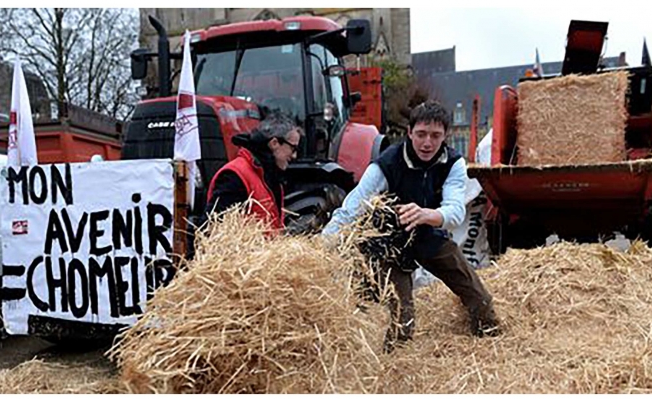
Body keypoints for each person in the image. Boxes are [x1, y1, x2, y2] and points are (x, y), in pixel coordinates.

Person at [322, 101, 500, 353]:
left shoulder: (453, 163)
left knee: (477, 295)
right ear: (409, 133)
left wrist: (426, 214)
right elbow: (353, 206)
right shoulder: (386, 164)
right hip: (391, 242)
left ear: (445, 136)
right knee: (402, 318)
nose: (427, 143)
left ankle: (491, 343)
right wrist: (323, 244)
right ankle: (395, 362)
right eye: (421, 134)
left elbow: (456, 211)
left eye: (435, 136)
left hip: (429, 232)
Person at [201, 111, 301, 232]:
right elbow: (212, 228)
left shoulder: (270, 176)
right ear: (274, 143)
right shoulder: (235, 176)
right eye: (293, 148)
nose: (295, 155)